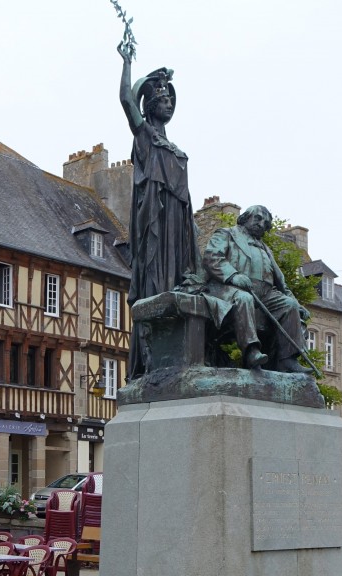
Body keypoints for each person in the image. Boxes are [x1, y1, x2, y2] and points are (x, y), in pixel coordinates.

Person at [119, 39, 200, 378]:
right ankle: (150, 362)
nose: (168, 104)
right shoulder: (145, 137)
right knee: (154, 289)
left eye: (170, 100)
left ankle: (176, 361)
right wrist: (127, 63)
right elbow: (126, 98)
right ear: (150, 106)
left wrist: (193, 239)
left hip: (176, 232)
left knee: (177, 287)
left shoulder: (177, 151)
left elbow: (187, 201)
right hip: (153, 229)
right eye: (162, 100)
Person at [202, 205, 311, 372]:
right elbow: (212, 257)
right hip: (227, 287)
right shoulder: (227, 234)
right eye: (258, 218)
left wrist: (296, 302)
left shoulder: (265, 248)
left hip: (265, 293)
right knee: (244, 299)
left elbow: (280, 281)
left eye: (265, 223)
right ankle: (251, 351)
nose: (261, 224)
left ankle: (287, 360)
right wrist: (233, 276)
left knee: (289, 305)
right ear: (246, 218)